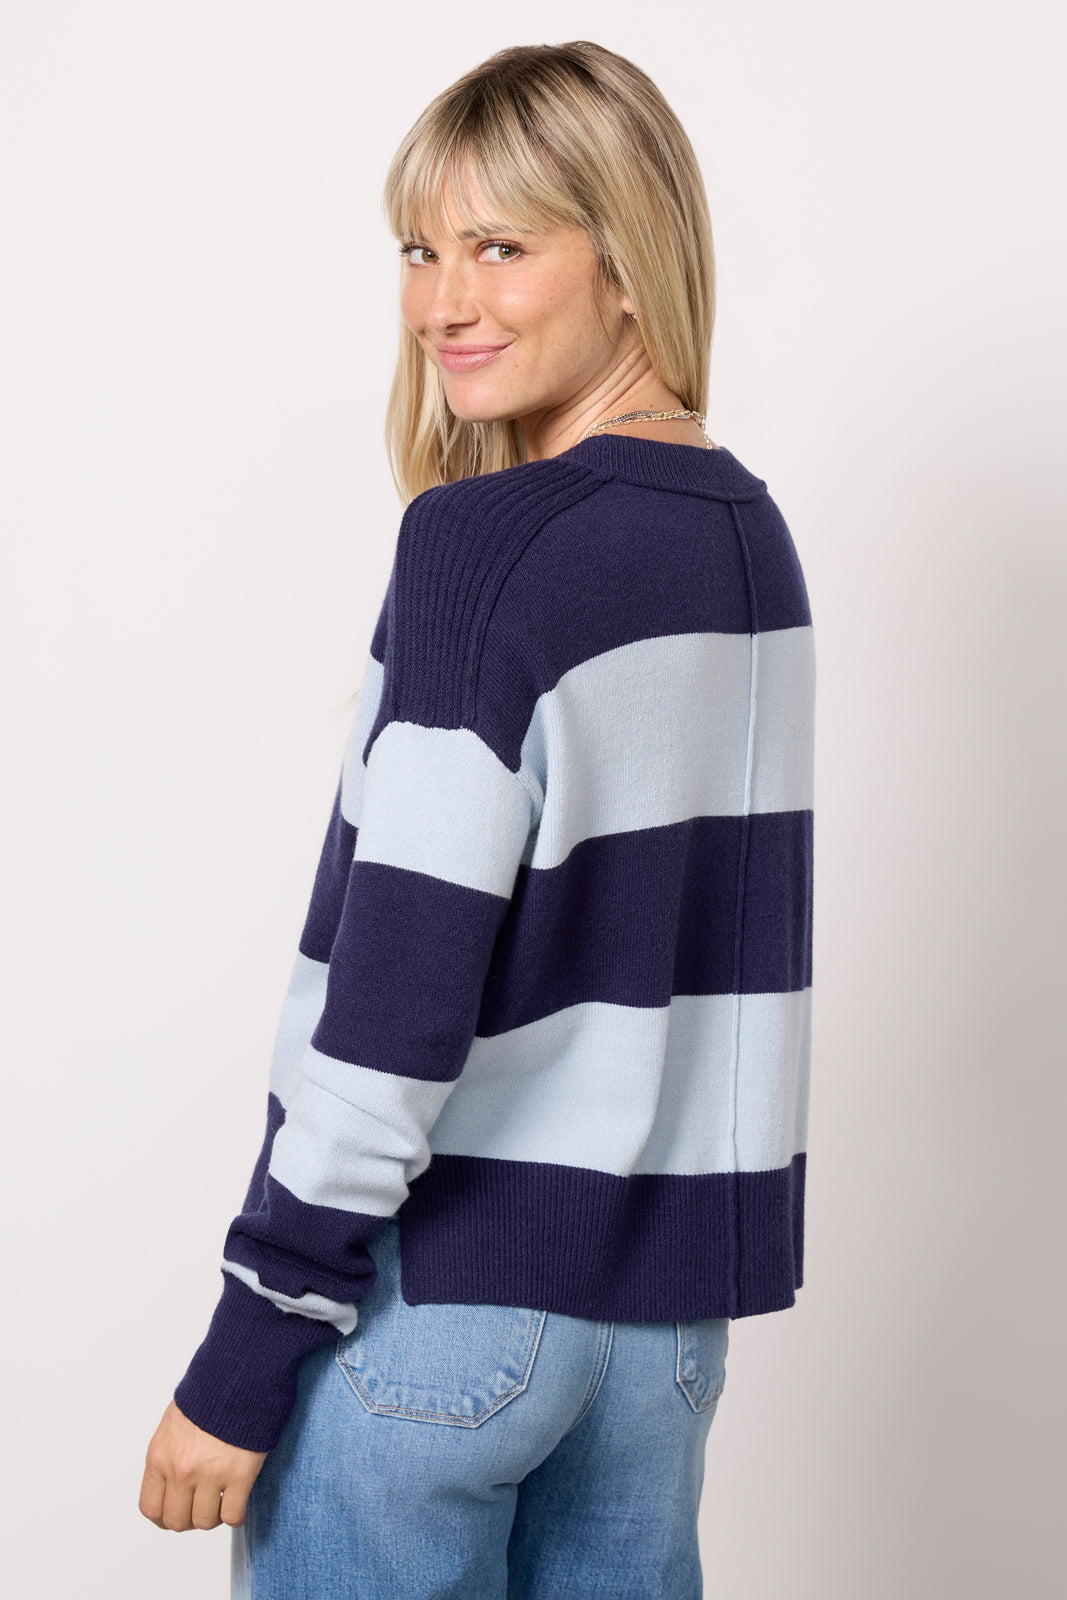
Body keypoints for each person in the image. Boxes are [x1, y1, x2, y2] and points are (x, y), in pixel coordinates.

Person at [139, 39, 815, 1599]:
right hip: (657, 1349)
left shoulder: (481, 545)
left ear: (627, 264)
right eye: (419, 249)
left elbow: (398, 998)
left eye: (500, 247)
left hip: (439, 1319)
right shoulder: (751, 540)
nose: (443, 301)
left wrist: (252, 1339)